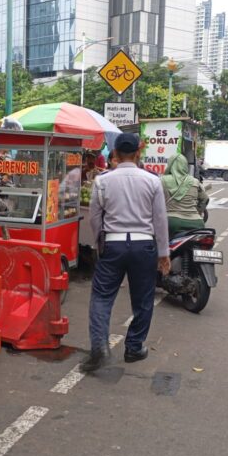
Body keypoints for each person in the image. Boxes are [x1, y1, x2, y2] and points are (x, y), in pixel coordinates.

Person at [81, 133, 171, 372]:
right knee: (143, 299)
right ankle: (134, 347)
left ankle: (99, 347)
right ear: (138, 152)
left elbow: (95, 219)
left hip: (113, 244)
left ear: (116, 154)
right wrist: (164, 253)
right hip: (144, 246)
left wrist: (101, 244)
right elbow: (160, 220)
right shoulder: (152, 181)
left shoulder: (103, 181)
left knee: (101, 297)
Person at [162, 154, 209, 235]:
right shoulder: (195, 181)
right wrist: (197, 212)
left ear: (170, 165)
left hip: (171, 222)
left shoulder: (162, 181)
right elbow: (205, 199)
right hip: (196, 223)